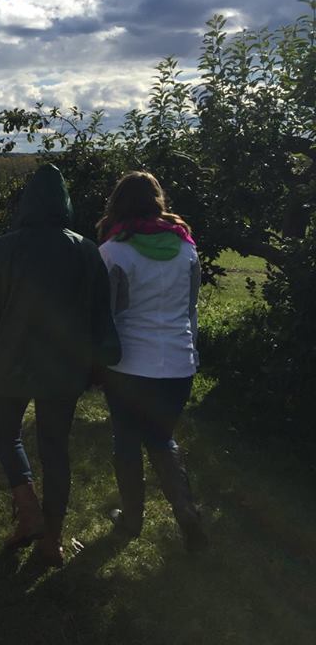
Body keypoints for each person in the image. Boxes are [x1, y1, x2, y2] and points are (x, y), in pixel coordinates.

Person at [0, 164, 120, 567]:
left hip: (7, 365)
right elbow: (102, 312)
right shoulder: (84, 249)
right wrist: (101, 362)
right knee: (55, 449)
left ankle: (27, 508)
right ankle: (53, 540)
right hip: (64, 369)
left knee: (7, 435)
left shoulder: (2, 249)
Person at [97, 171, 209, 552]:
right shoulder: (186, 248)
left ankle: (131, 520)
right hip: (179, 363)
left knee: (126, 441)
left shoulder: (114, 252)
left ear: (118, 204)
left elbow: (105, 316)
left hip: (129, 366)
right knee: (161, 438)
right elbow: (191, 309)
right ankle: (187, 514)